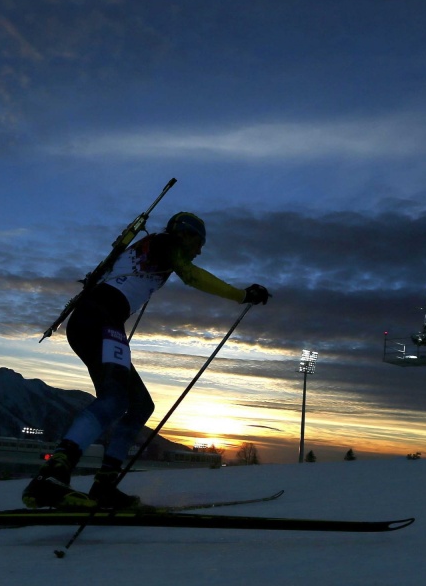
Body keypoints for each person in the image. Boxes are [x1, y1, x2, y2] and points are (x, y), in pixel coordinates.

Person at [22, 212, 270, 510]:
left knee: (139, 404)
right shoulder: (166, 243)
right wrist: (242, 295)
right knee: (115, 400)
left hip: (96, 320)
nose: (199, 250)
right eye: (198, 242)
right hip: (100, 319)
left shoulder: (151, 246)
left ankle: (103, 485)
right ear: (184, 234)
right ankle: (52, 477)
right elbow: (191, 275)